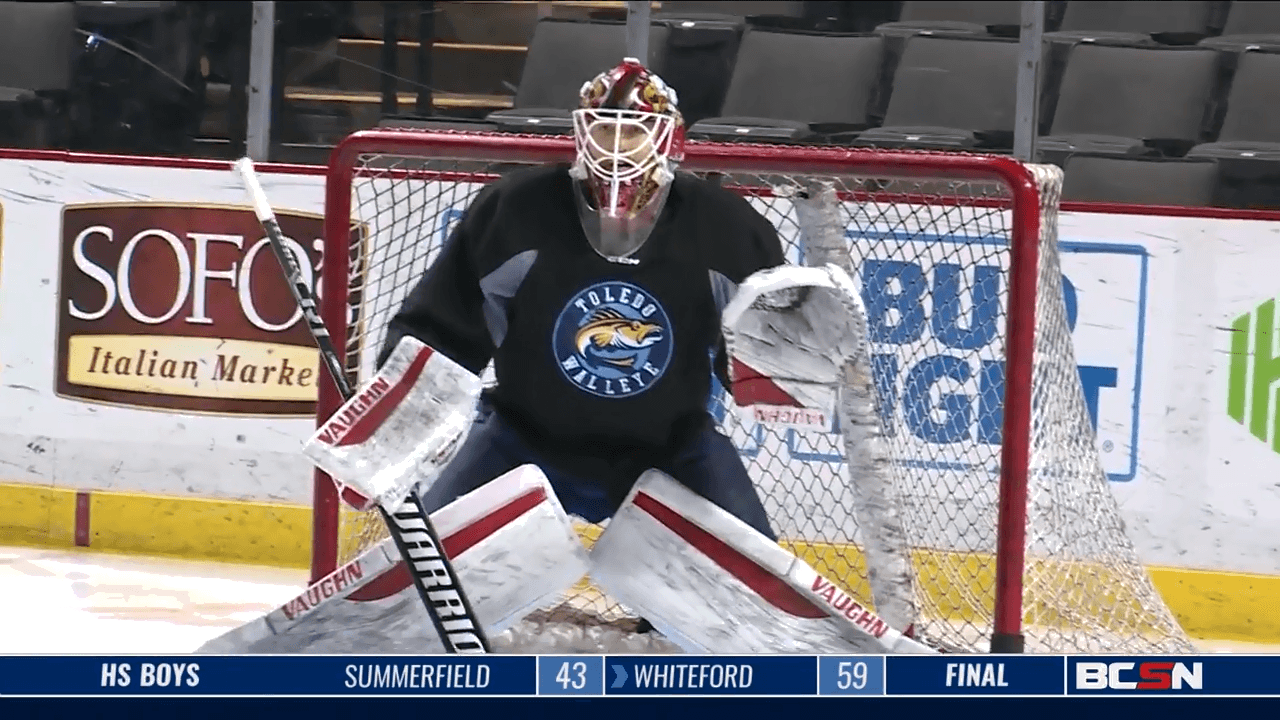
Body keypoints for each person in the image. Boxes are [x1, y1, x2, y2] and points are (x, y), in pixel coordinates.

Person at [379, 58, 785, 541]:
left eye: (632, 133)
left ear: (669, 140)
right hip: (523, 439)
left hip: (671, 448)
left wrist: (790, 374)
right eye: (604, 132)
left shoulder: (725, 229)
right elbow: (443, 327)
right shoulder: (516, 210)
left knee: (750, 595)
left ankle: (663, 608)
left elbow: (758, 364)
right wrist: (396, 411)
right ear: (580, 133)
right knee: (425, 578)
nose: (616, 150)